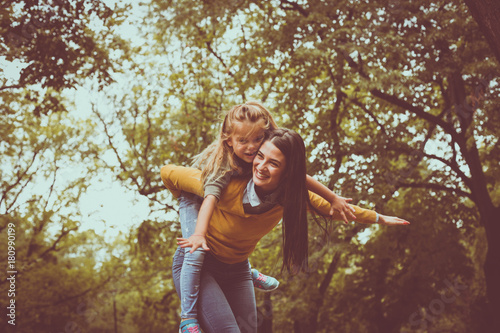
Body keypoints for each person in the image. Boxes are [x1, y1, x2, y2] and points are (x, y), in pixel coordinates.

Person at [162, 128, 410, 333]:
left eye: (273, 163)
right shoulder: (220, 185)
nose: (261, 166)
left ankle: (251, 272)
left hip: (237, 268)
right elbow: (168, 173)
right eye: (259, 157)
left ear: (289, 172)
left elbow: (336, 208)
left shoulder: (290, 198)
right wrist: (192, 210)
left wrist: (379, 218)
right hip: (198, 264)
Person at [175, 102, 358, 332]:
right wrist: (199, 234)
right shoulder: (223, 167)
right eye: (243, 141)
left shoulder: (264, 156)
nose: (252, 148)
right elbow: (209, 199)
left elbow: (299, 175)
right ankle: (188, 319)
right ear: (228, 140)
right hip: (195, 202)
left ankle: (246, 271)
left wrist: (334, 199)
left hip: (230, 254)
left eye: (258, 139)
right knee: (195, 250)